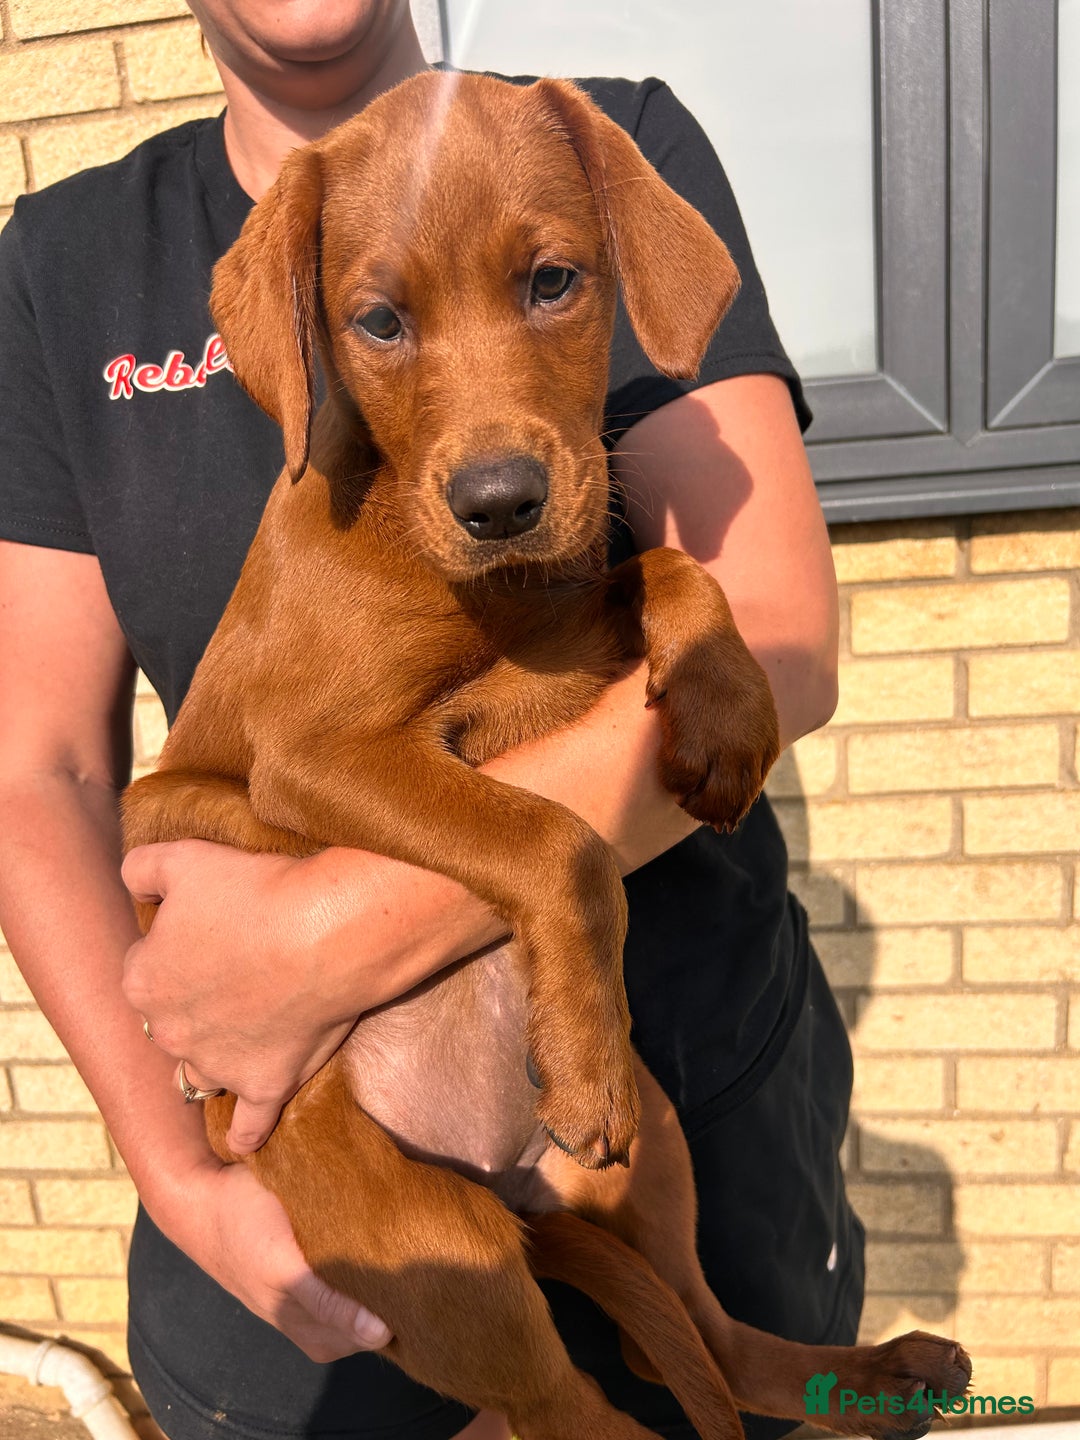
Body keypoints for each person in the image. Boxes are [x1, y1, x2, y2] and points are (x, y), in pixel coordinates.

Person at [0, 2, 859, 1437]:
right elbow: (41, 766)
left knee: (750, 1381)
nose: (493, 459)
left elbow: (776, 629)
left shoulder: (599, 138)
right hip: (314, 1163)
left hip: (671, 1074)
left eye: (549, 286)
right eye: (383, 323)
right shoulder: (63, 267)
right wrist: (188, 1184)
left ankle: (737, 1353)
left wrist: (325, 942)